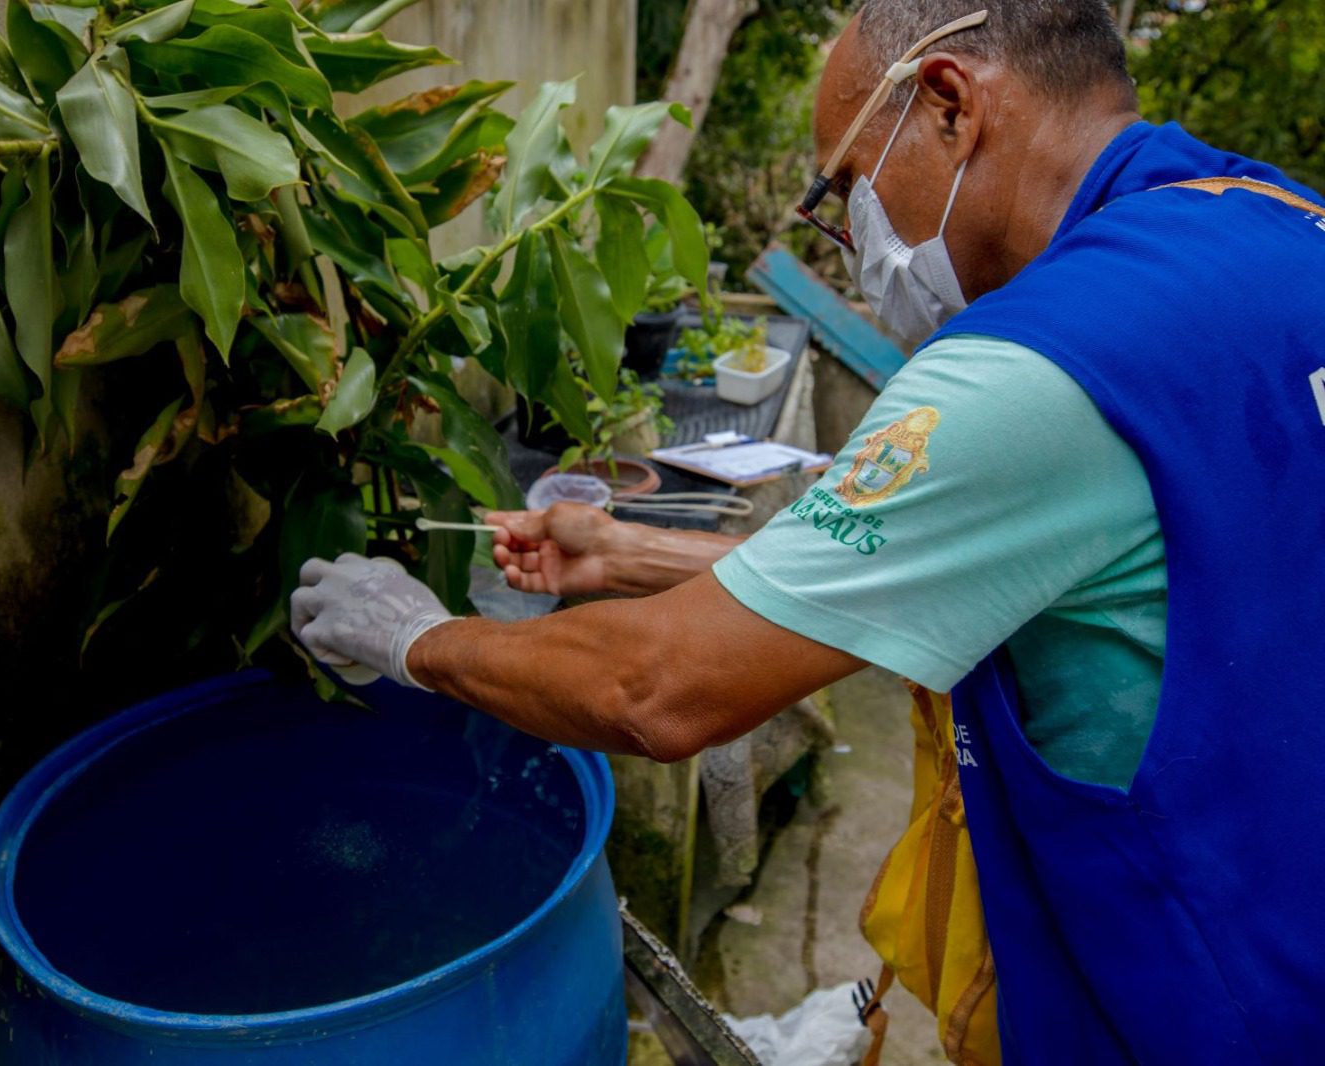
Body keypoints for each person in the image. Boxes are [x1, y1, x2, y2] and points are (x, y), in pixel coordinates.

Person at [293, 1, 1325, 1061]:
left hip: (1206, 999)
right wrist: (629, 553)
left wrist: (413, 638)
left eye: (845, 188)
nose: (855, 238)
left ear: (948, 105)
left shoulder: (1039, 364)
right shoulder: (1276, 222)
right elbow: (1006, 552)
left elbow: (659, 687)